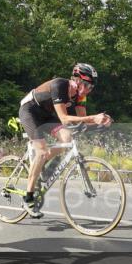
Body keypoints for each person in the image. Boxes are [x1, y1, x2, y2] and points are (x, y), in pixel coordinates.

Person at [17, 63, 111, 218]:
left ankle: (43, 164)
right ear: (77, 80)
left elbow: (81, 121)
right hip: (30, 111)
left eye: (91, 87)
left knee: (67, 138)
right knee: (40, 152)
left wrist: (100, 124)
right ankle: (28, 198)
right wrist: (93, 117)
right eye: (86, 85)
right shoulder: (60, 85)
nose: (88, 90)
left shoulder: (81, 96)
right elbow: (64, 118)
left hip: (46, 116)